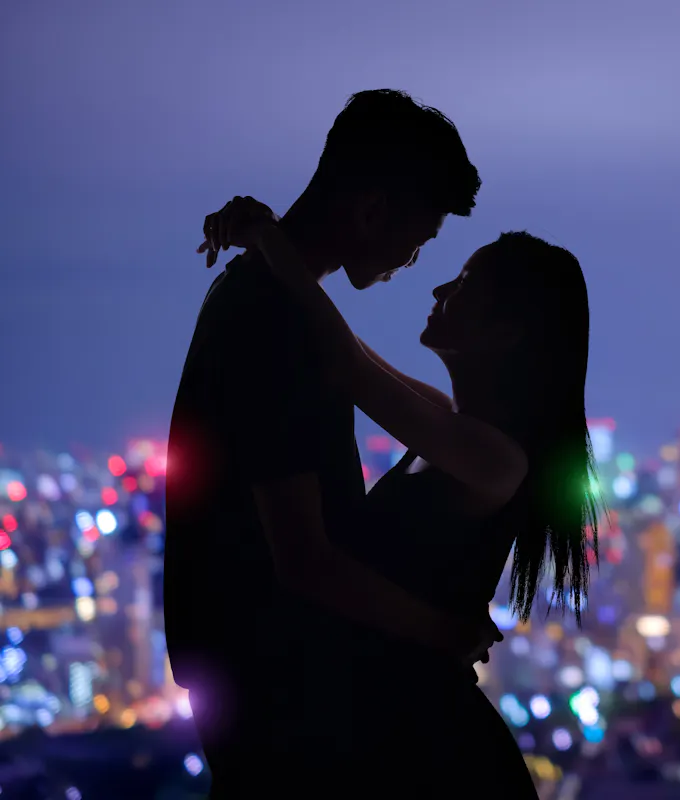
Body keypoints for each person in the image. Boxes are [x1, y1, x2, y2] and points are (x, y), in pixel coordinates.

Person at [197, 194, 601, 797]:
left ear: (507, 331)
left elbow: (347, 366)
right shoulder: (446, 427)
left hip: (428, 749)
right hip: (394, 729)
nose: (440, 287)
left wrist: (270, 239)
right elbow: (349, 355)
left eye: (465, 283)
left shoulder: (495, 458)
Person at [164, 90, 500, 797]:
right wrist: (446, 634)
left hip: (260, 676)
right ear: (372, 210)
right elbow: (306, 560)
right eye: (422, 237)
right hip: (281, 687)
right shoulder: (273, 320)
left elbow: (348, 357)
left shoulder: (265, 303)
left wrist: (270, 241)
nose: (414, 261)